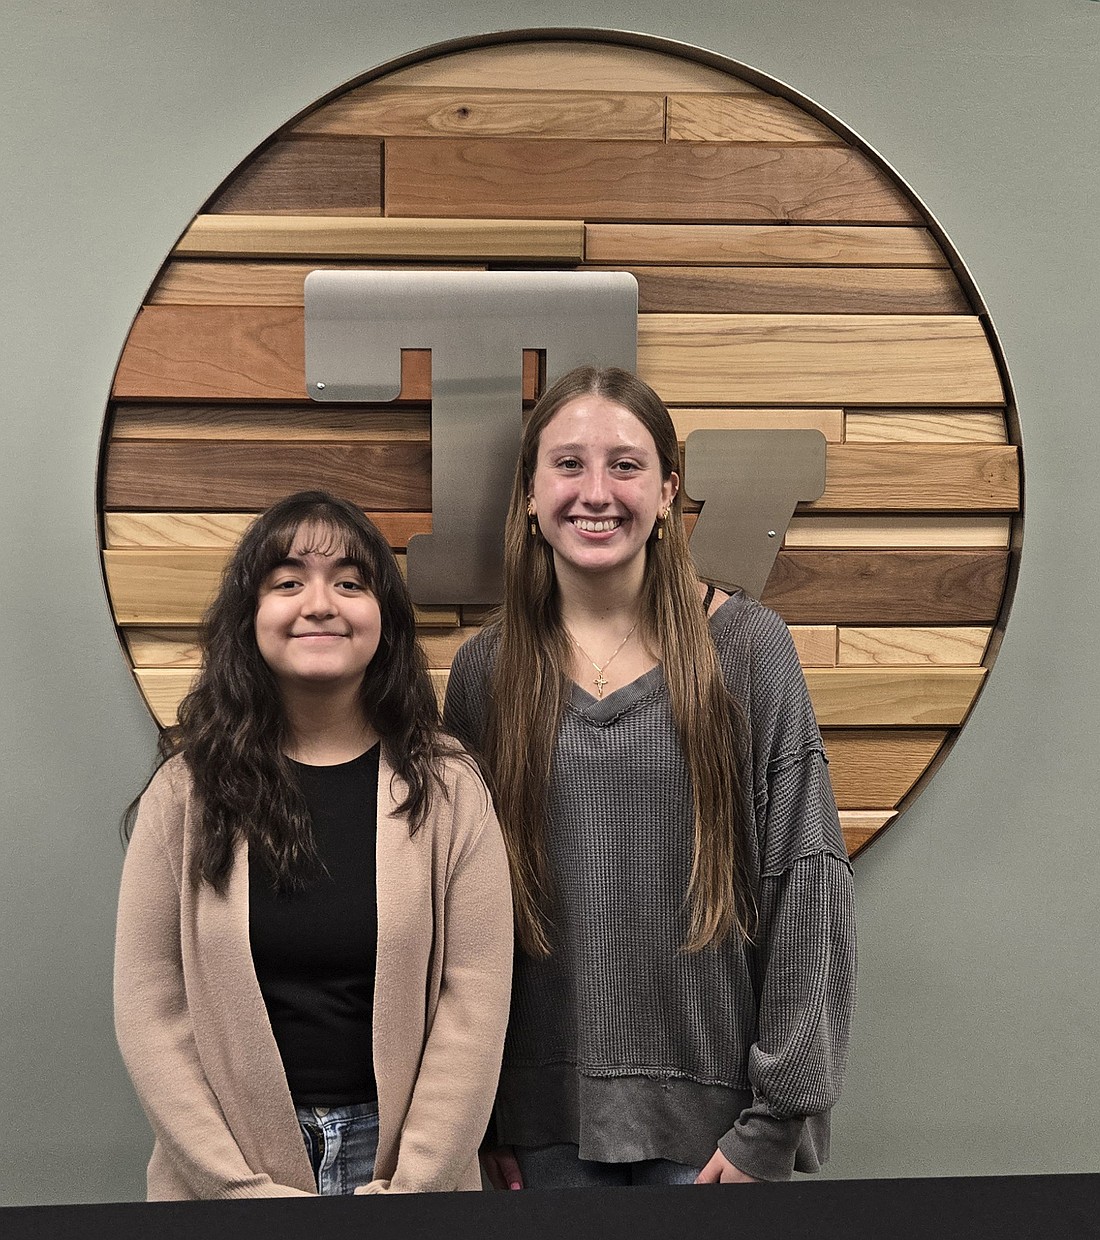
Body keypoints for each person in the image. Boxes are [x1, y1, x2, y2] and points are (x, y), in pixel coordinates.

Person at [443, 367, 856, 1189]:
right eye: (568, 465)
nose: (596, 492)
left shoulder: (747, 650)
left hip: (716, 1137)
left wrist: (774, 1122)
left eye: (625, 465)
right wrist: (478, 1116)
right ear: (529, 493)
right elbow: (463, 917)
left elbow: (806, 883)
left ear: (668, 492)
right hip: (538, 1136)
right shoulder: (485, 673)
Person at [114, 491, 513, 1199]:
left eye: (350, 582)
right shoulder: (186, 792)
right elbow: (150, 1006)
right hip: (223, 1173)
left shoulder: (450, 789)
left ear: (384, 619)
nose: (321, 603)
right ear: (251, 617)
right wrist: (238, 1189)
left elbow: (474, 1006)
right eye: (288, 581)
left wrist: (412, 1187)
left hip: (403, 1175)